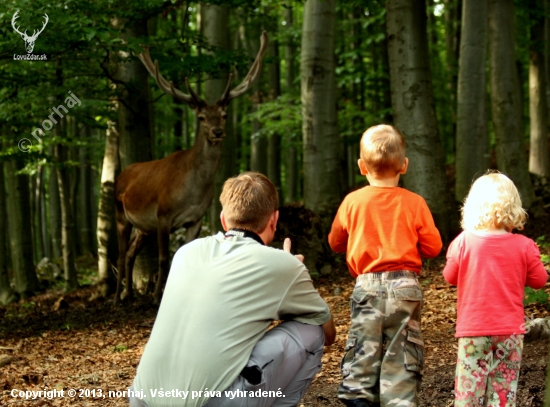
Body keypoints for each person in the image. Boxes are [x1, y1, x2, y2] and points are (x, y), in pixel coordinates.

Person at [129, 171, 336, 407]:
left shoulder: (186, 252)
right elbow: (328, 332)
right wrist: (293, 272)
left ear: (223, 219)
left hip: (141, 398)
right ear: (274, 220)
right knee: (313, 332)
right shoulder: (283, 265)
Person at [328, 124, 442, 407]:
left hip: (366, 285)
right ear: (404, 165)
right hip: (405, 287)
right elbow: (434, 247)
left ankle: (358, 396)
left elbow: (335, 241)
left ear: (361, 166)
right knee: (402, 352)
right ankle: (399, 399)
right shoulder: (415, 203)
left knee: (363, 349)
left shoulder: (352, 202)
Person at [443, 173, 548, 407]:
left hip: (474, 331)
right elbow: (540, 280)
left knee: (468, 392)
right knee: (502, 394)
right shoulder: (525, 245)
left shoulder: (463, 242)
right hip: (510, 333)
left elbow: (450, 277)